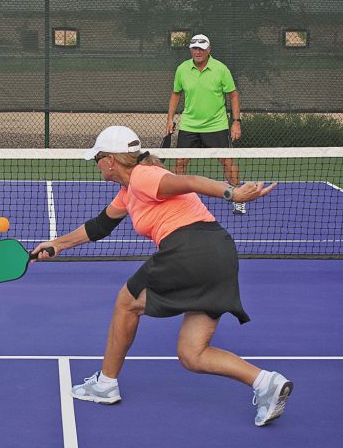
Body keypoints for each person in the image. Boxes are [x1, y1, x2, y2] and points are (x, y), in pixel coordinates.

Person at [31, 126, 293, 427]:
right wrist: (57, 244)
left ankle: (105, 383)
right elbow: (99, 226)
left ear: (111, 161)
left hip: (189, 249)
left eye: (97, 158)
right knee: (192, 354)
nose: (96, 164)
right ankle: (266, 383)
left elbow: (190, 181)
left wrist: (233, 193)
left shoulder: (145, 176)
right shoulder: (129, 191)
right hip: (219, 254)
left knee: (126, 302)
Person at [167, 34, 246, 215]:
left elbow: (233, 95)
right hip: (189, 125)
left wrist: (236, 122)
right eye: (194, 48)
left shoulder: (221, 69)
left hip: (216, 125)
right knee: (180, 163)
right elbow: (175, 94)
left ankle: (239, 198)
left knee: (227, 162)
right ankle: (180, 200)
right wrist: (169, 119)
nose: (198, 51)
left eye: (201, 48)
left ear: (209, 50)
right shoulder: (182, 69)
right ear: (190, 50)